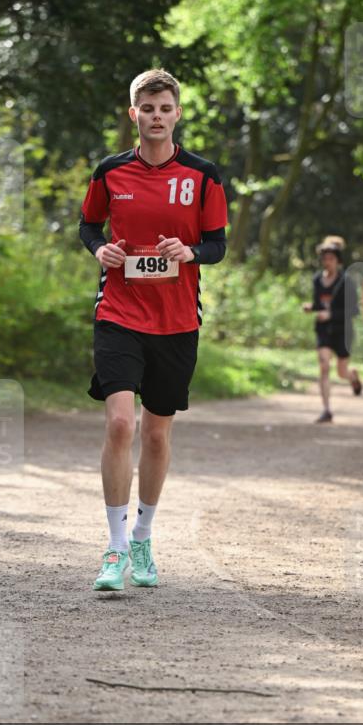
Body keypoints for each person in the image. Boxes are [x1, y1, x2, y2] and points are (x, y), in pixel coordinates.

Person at [79, 68, 227, 591]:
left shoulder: (204, 175)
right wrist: (101, 250)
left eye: (165, 108)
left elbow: (217, 244)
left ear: (177, 113)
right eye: (148, 109)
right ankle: (115, 549)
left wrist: (190, 252)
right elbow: (87, 226)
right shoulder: (110, 172)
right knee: (121, 424)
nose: (156, 117)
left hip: (177, 319)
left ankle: (143, 536)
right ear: (133, 114)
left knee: (157, 433)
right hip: (118, 311)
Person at [302, 236, 362, 423]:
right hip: (323, 330)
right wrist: (312, 307)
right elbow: (321, 304)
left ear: (338, 261)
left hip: (343, 331)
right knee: (324, 365)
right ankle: (326, 409)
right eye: (324, 259)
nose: (327, 262)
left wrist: (331, 315)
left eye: (331, 259)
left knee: (341, 372)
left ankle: (352, 377)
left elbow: (354, 310)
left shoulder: (346, 282)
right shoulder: (317, 280)